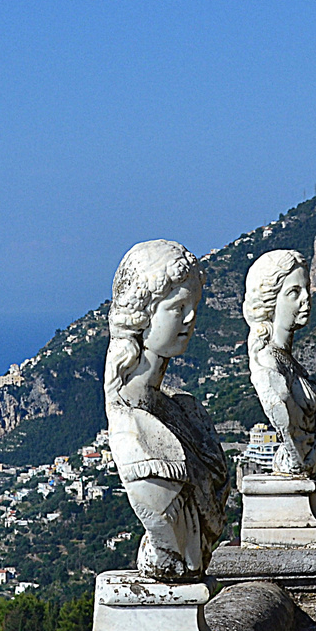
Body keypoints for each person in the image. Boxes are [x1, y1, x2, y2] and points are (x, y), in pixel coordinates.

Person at [103, 240, 230, 580]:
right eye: (177, 307)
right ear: (142, 315)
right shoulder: (134, 432)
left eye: (194, 306)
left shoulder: (184, 409)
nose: (190, 318)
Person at [243, 249, 316, 476]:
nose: (306, 297)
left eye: (306, 289)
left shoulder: (289, 362)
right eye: (294, 292)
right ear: (270, 302)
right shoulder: (268, 365)